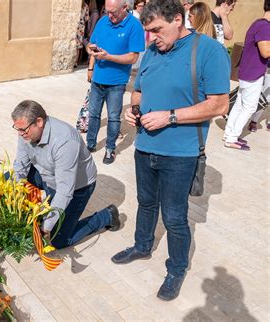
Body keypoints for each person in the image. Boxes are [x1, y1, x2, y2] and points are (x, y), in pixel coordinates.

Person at [111, 0, 230, 301]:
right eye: (148, 32)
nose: (152, 38)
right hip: (145, 146)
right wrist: (133, 109)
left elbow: (219, 104)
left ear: (178, 19)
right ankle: (142, 245)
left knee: (175, 216)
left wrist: (170, 116)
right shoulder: (152, 51)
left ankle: (176, 267)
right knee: (146, 202)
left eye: (157, 30)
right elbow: (138, 90)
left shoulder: (208, 51)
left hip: (181, 152)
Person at [11, 100, 121, 249]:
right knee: (8, 179)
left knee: (59, 240)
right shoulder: (25, 131)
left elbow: (64, 190)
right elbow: (20, 166)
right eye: (17, 129)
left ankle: (107, 215)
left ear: (39, 121)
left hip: (77, 188)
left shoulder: (64, 141)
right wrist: (14, 202)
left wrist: (45, 228)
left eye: (23, 130)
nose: (20, 134)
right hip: (47, 175)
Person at [85, 0, 145, 164]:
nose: (109, 16)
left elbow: (133, 57)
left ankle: (110, 148)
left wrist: (108, 57)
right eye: (107, 11)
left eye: (114, 13)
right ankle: (89, 144)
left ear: (125, 7)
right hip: (98, 79)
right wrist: (90, 52)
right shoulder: (103, 20)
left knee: (113, 117)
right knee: (94, 114)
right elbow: (91, 44)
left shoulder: (134, 26)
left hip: (116, 83)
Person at [224, 1, 270, 149]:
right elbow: (266, 52)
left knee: (240, 104)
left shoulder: (258, 23)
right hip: (253, 73)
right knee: (249, 107)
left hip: (248, 71)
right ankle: (232, 138)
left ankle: (229, 134)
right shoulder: (265, 27)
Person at [76, 0, 90, 67]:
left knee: (74, 43)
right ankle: (76, 62)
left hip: (75, 26)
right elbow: (87, 18)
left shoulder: (77, 5)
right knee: (79, 45)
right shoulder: (86, 6)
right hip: (81, 27)